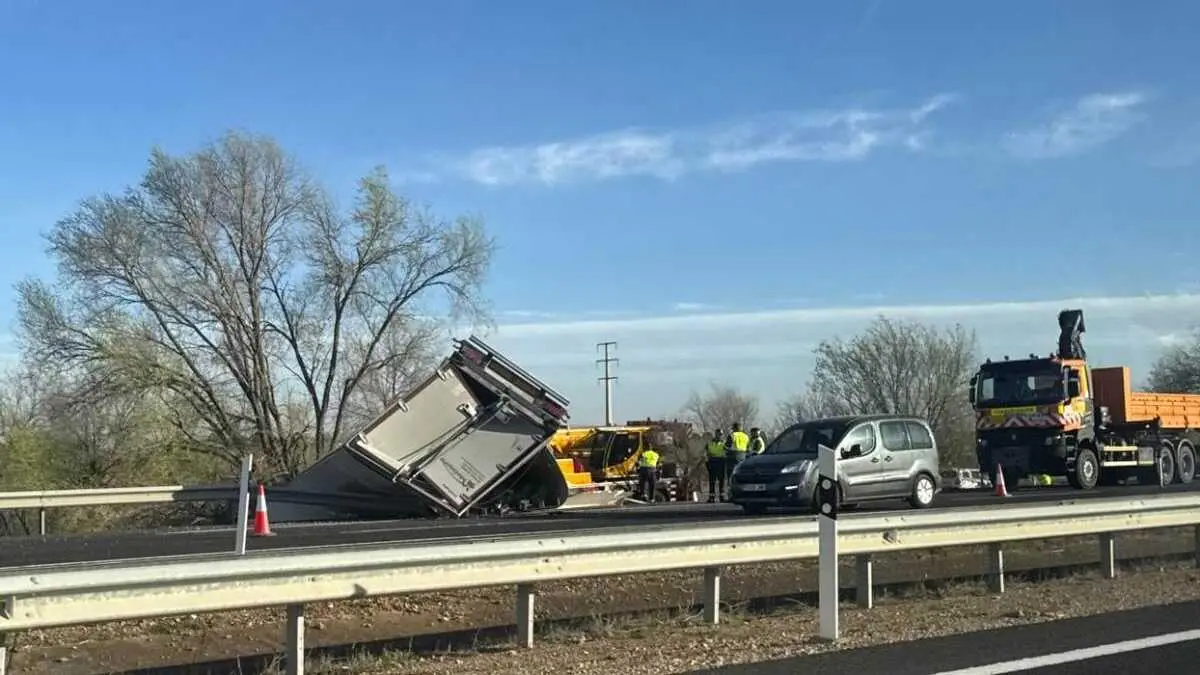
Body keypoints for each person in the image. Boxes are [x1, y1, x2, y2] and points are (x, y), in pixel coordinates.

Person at [706, 428, 726, 502]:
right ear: (715, 434)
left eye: (721, 434)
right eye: (718, 434)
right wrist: (707, 461)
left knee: (721, 480)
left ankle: (722, 496)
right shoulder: (710, 443)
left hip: (721, 461)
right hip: (712, 461)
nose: (720, 436)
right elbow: (706, 452)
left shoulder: (724, 443)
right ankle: (711, 497)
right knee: (712, 480)